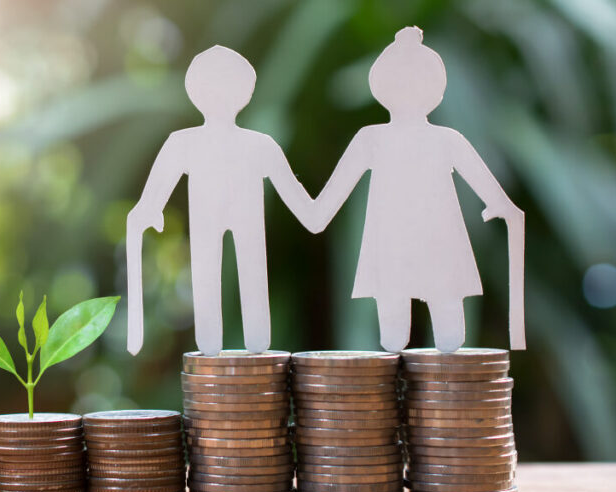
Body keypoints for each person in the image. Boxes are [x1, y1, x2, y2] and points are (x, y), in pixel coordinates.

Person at [309, 27, 524, 353]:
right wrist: (503, 208)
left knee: (430, 335)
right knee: (408, 335)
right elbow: (494, 194)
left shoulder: (383, 139)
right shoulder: (429, 139)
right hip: (413, 246)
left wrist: (503, 207)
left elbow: (328, 200)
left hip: (417, 244)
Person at [126, 45, 320, 356]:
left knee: (245, 281)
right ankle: (230, 342)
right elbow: (308, 210)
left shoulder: (244, 144)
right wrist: (144, 213)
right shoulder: (251, 144)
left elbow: (307, 210)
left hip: (235, 222)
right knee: (216, 290)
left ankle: (243, 341)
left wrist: (144, 213)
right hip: (211, 222)